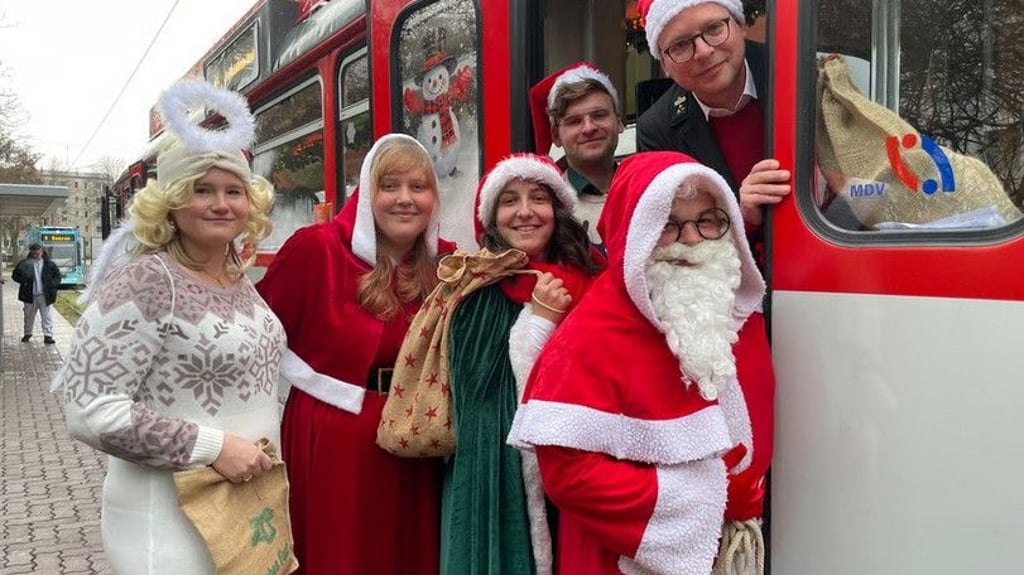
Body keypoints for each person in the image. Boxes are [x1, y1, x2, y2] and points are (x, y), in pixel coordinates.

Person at [54, 78, 285, 574]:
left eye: (234, 191)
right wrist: (213, 447)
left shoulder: (238, 282)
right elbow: (90, 408)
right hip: (165, 521)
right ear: (172, 203)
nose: (221, 204)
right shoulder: (145, 282)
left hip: (243, 511)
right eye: (202, 190)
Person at [508, 151, 776, 575]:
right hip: (625, 554)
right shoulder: (593, 332)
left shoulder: (733, 309)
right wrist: (713, 498)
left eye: (709, 220)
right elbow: (567, 473)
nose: (692, 239)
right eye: (669, 225)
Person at [256, 133, 454, 575]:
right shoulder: (317, 250)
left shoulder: (448, 268)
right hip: (335, 443)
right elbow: (250, 341)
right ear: (366, 194)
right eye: (390, 186)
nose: (405, 199)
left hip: (418, 440)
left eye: (418, 187)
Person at [440, 154, 602, 575]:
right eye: (510, 201)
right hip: (500, 475)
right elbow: (477, 397)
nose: (526, 211)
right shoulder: (476, 289)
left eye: (538, 198)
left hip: (581, 466)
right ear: (493, 218)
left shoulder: (592, 281)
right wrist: (541, 322)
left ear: (558, 211)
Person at [636, 0, 790, 252]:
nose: (704, 51)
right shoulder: (657, 129)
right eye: (681, 45)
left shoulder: (797, 70)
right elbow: (675, 238)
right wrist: (743, 216)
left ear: (740, 25)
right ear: (664, 64)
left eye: (714, 28)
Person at [529, 63, 624, 249]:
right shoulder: (545, 209)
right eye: (574, 121)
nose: (589, 128)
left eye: (599, 115)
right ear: (556, 135)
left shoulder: (649, 188)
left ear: (619, 123)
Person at [13, 243, 61, 344]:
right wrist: (23, 281)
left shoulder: (50, 264)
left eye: (38, 252)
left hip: (45, 296)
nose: (36, 254)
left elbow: (58, 277)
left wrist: (52, 285)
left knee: (47, 316)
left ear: (42, 252)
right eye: (34, 253)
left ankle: (48, 336)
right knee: (28, 316)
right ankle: (27, 333)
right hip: (29, 295)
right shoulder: (24, 264)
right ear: (31, 252)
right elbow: (15, 275)